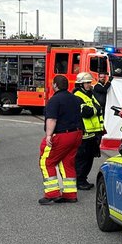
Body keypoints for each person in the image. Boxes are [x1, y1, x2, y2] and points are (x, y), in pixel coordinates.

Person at [38, 75, 84, 205]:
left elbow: (52, 119)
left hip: (62, 135)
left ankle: (51, 194)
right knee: (67, 163)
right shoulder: (75, 99)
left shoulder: (55, 100)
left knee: (46, 161)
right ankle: (70, 194)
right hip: (77, 134)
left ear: (55, 86)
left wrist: (48, 135)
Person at [73, 73, 104, 191]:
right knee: (82, 158)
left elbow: (98, 107)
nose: (89, 85)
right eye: (87, 83)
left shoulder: (90, 94)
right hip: (84, 133)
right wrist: (95, 109)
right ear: (80, 84)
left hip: (94, 133)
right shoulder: (77, 95)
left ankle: (83, 179)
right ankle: (79, 180)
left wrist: (95, 110)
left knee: (90, 158)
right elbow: (86, 112)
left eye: (89, 83)